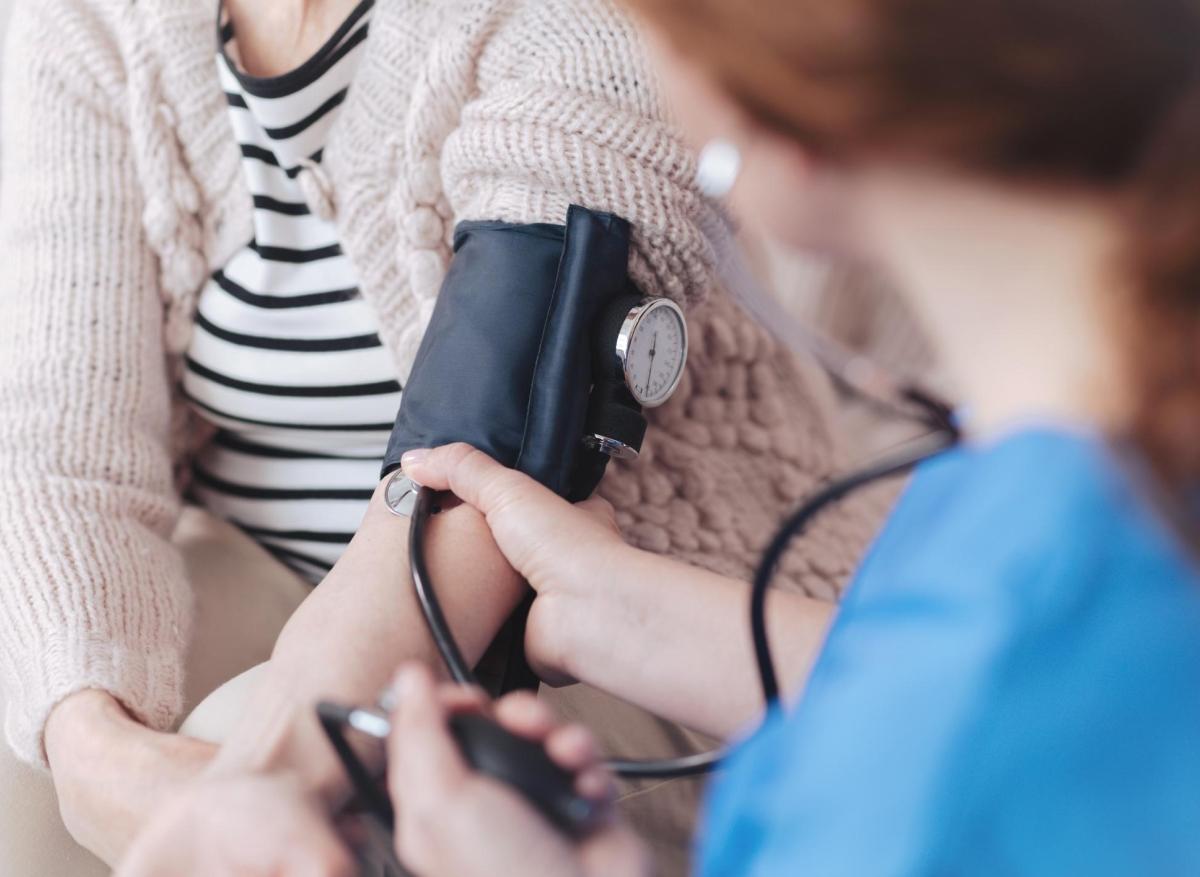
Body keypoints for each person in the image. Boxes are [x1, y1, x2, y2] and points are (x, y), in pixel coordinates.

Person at [122, 0, 1200, 872]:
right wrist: (625, 611)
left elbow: (971, 728)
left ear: (781, 109)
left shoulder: (928, 759)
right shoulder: (1054, 521)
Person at [0, 0, 889, 873]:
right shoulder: (90, 21)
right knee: (32, 728)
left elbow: (485, 459)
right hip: (270, 567)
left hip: (611, 613)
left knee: (275, 764)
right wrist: (96, 760)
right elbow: (56, 449)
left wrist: (253, 781)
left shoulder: (590, 22)